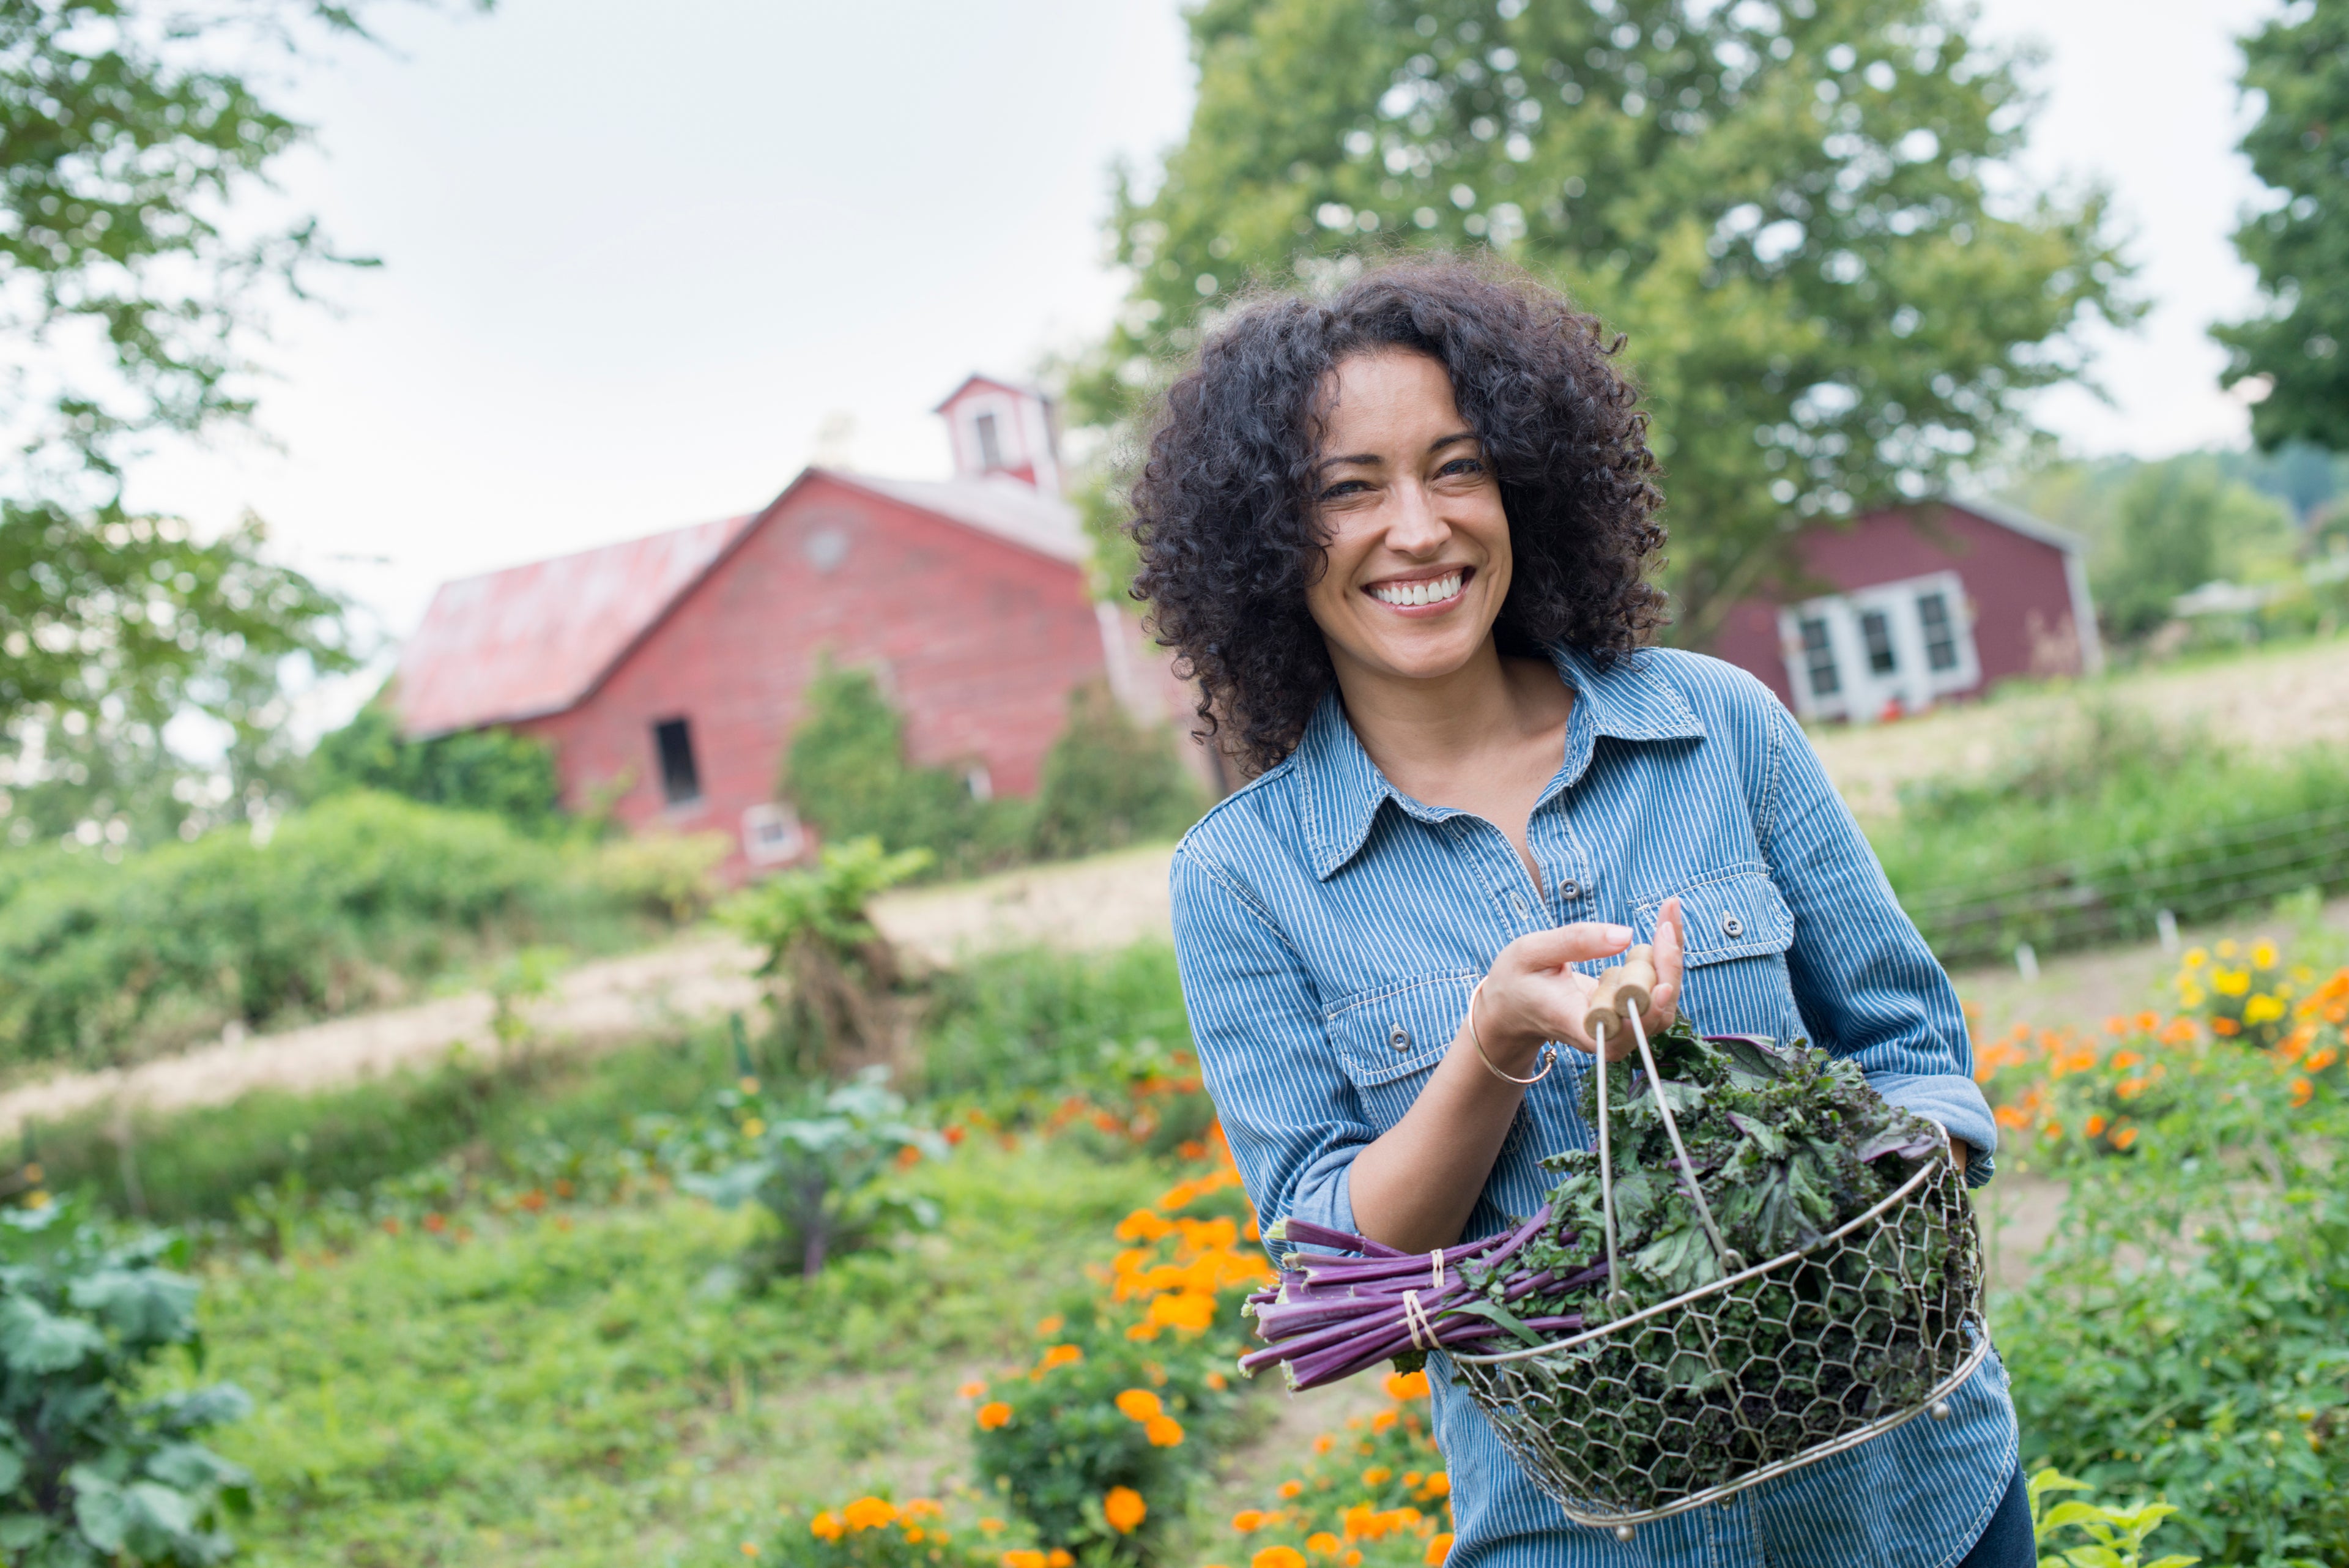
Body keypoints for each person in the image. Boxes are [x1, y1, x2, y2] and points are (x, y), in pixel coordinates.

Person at [1132, 259, 2029, 1568]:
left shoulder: (1718, 727)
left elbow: (1912, 1054)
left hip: (1918, 1504)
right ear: (1265, 541)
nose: (1420, 528)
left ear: (1525, 487)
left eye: (1457, 467)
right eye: (1348, 488)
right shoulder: (1243, 880)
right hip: (1580, 1539)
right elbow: (1333, 1262)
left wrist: (1820, 1201)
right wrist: (1492, 1041)